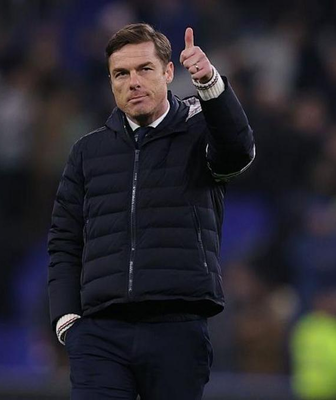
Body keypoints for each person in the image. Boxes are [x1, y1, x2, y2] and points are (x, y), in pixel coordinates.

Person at [48, 23, 255, 399]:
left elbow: (238, 151)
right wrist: (67, 320)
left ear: (169, 72)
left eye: (144, 69)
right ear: (111, 82)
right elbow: (64, 240)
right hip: (100, 333)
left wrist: (209, 83)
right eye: (121, 73)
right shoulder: (87, 152)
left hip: (176, 327)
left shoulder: (199, 131)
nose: (133, 82)